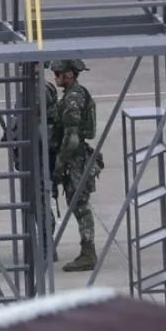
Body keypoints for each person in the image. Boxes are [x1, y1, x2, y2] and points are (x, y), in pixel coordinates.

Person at [51, 59, 101, 272]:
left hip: (75, 159)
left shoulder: (72, 98)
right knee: (78, 203)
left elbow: (71, 137)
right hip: (77, 157)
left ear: (69, 75)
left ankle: (88, 253)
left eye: (58, 73)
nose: (55, 77)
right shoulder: (76, 94)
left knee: (80, 205)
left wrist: (60, 162)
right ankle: (87, 251)